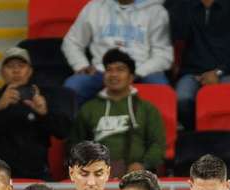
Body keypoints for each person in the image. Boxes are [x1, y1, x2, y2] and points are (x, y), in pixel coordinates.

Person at [0, 47, 72, 180]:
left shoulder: (43, 97)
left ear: (30, 71)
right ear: (1, 72)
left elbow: (63, 132)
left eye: (21, 66)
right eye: (10, 66)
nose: (16, 70)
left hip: (37, 173)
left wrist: (44, 113)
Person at [69, 49, 166, 177]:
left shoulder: (147, 109)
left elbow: (157, 145)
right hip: (96, 178)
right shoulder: (88, 108)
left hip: (137, 177)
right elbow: (76, 145)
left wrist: (143, 165)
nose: (114, 74)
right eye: (109, 70)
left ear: (131, 77)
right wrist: (88, 167)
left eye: (120, 69)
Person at [62, 0, 173, 105]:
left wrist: (137, 72)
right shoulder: (94, 7)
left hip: (142, 70)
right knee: (72, 88)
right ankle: (81, 124)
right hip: (102, 71)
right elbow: (72, 41)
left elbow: (163, 54)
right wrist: (81, 65)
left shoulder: (157, 11)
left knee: (161, 88)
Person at [170, 0, 230, 130]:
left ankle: (221, 136)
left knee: (228, 99)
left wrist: (219, 71)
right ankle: (197, 134)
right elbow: (176, 37)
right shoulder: (183, 6)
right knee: (182, 100)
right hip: (192, 72)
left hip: (226, 72)